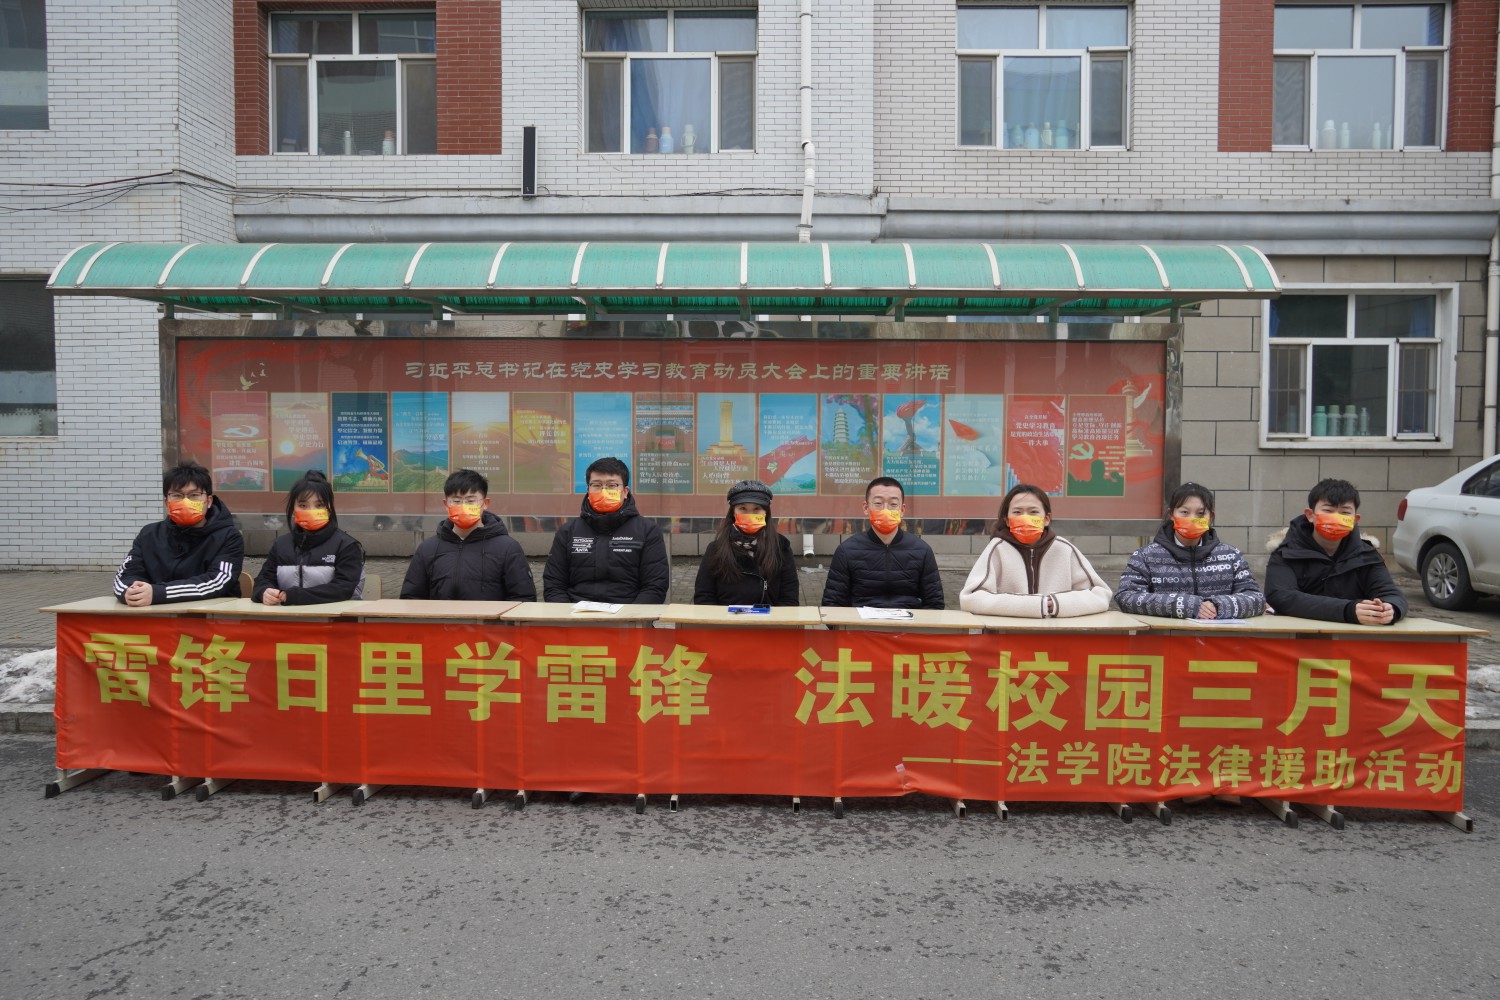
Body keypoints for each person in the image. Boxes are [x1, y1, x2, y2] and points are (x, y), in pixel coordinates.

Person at [1264, 478, 1407, 625]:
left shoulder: (1367, 555)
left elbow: (1390, 594)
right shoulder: (1285, 553)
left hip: (1352, 636)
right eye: (1328, 511)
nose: (1336, 518)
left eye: (1345, 512)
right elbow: (1281, 597)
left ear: (1355, 519)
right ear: (1310, 515)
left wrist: (1390, 609)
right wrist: (1347, 611)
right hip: (1300, 634)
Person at [1115, 482, 1265, 620]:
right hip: (1167, 638)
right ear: (1171, 515)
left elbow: (1256, 598)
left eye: (1200, 514)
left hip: (1218, 638)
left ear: (1211, 517)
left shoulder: (1231, 556)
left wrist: (1219, 605)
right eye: (1184, 512)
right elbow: (1127, 597)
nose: (1192, 519)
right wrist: (1186, 605)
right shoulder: (1145, 556)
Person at [958, 483, 1111, 618]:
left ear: (1047, 519)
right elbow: (970, 598)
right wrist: (1034, 605)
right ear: (1007, 520)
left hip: (1055, 637)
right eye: (1017, 512)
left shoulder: (1064, 549)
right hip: (1007, 637)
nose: (1025, 518)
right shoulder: (997, 549)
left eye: (1033, 512)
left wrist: (1055, 604)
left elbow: (1101, 595)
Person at [113, 462, 245, 606]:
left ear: (208, 501)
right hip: (156, 614)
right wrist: (130, 592)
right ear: (166, 503)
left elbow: (217, 581)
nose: (185, 502)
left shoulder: (228, 537)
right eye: (177, 495)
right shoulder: (149, 534)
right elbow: (126, 574)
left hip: (211, 614)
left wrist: (158, 593)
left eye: (194, 495)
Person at [543, 457, 669, 604]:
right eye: (596, 485)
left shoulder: (647, 531)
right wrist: (567, 615)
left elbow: (655, 586)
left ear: (625, 491)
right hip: (575, 613)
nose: (604, 491)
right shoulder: (568, 532)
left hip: (628, 614)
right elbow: (554, 584)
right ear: (588, 490)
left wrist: (631, 616)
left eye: (611, 485)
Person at [400, 468, 536, 601]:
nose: (463, 506)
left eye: (471, 501)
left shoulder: (507, 548)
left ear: (485, 503)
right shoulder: (428, 549)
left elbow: (523, 598)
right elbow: (411, 598)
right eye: (457, 501)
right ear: (446, 504)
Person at [821, 476, 943, 609]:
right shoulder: (847, 550)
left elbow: (934, 604)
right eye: (878, 503)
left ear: (902, 510)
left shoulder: (922, 550)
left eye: (893, 504)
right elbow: (832, 604)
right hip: (860, 621)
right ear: (866, 507)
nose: (886, 510)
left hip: (909, 621)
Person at [253, 470, 366, 605]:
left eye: (319, 505)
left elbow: (343, 588)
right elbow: (263, 579)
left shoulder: (346, 545)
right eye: (303, 505)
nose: (311, 511)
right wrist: (264, 592)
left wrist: (297, 596)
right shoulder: (281, 545)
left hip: (335, 617)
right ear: (293, 508)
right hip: (288, 616)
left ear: (330, 508)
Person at [692, 479, 799, 606]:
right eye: (742, 508)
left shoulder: (781, 548)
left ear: (766, 512)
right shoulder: (716, 549)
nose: (750, 515)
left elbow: (789, 599)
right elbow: (704, 597)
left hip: (769, 618)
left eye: (757, 509)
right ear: (733, 512)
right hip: (725, 619)